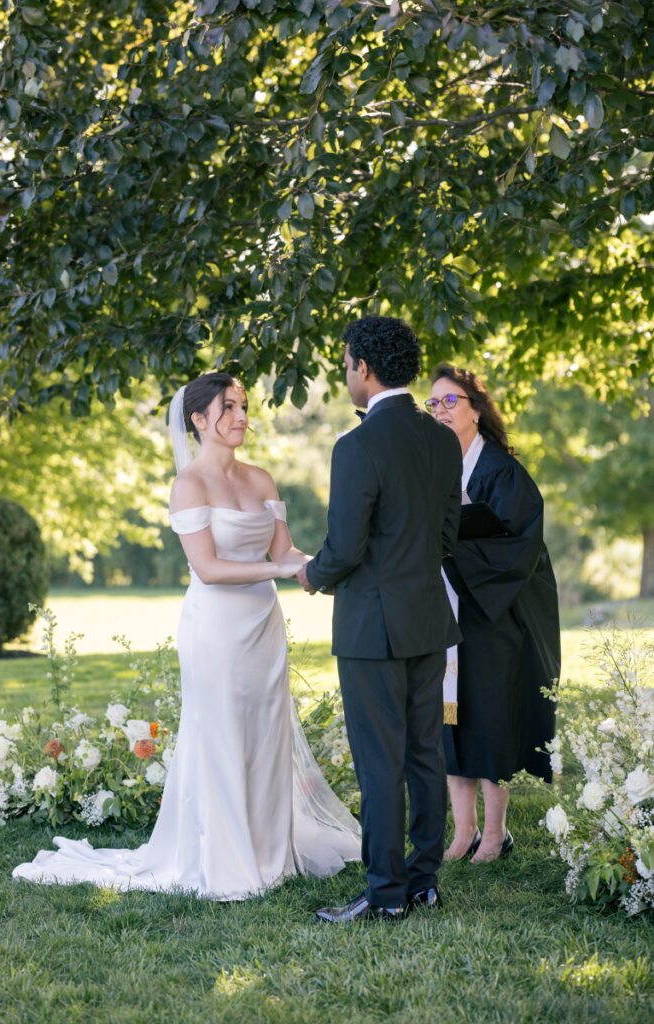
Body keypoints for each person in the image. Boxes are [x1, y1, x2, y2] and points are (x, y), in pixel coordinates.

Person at [13, 373, 361, 898]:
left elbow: (286, 554)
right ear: (198, 420)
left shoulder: (262, 479)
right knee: (220, 733)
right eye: (229, 408)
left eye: (245, 406)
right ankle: (227, 859)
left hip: (262, 627)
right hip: (216, 627)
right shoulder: (189, 485)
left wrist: (330, 567)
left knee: (266, 734)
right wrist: (283, 573)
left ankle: (271, 852)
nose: (242, 416)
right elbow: (210, 567)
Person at [296, 317, 463, 922]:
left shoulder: (356, 445)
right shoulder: (443, 440)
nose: (345, 375)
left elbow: (344, 547)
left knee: (379, 760)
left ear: (363, 368)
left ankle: (385, 894)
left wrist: (312, 574)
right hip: (428, 618)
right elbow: (448, 536)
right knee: (425, 752)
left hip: (372, 628)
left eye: (345, 364)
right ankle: (424, 882)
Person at [426, 364, 560, 863]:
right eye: (432, 403)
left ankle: (496, 833)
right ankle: (463, 831)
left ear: (477, 409)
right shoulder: (433, 467)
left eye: (450, 401)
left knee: (487, 719)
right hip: (444, 610)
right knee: (449, 720)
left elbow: (521, 548)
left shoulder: (502, 471)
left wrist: (454, 551)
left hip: (491, 612)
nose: (439, 410)